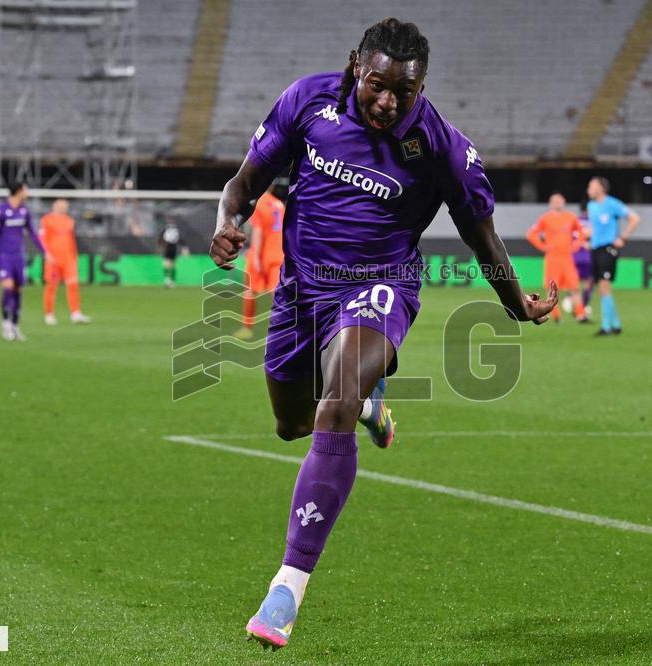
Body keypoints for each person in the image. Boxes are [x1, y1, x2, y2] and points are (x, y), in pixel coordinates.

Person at [208, 18, 557, 650]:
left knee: (335, 402)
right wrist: (229, 221)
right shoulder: (307, 100)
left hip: (381, 284)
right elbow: (244, 182)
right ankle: (370, 404)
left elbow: (482, 237)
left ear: (423, 86)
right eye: (377, 84)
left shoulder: (443, 149)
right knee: (292, 424)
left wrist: (515, 304)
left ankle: (287, 587)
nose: (388, 101)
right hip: (301, 289)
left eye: (405, 90)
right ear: (356, 66)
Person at [0, 182, 51, 341]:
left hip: (18, 257)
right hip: (4, 256)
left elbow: (33, 233)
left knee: (18, 290)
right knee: (8, 288)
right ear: (19, 191)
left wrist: (45, 251)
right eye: (25, 190)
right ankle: (5, 324)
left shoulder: (24, 211)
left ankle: (15, 325)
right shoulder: (1, 210)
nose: (27, 193)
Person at [586, 177, 641, 335]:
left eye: (592, 186)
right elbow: (594, 228)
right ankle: (615, 325)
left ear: (601, 188)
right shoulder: (591, 206)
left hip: (608, 249)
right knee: (602, 287)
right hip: (595, 249)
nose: (589, 189)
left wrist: (623, 238)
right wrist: (588, 239)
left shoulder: (612, 204)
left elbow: (635, 219)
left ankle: (606, 326)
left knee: (604, 286)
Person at [526, 191, 588, 323]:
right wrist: (543, 246)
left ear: (564, 202)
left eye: (559, 200)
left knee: (575, 287)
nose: (557, 203)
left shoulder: (571, 217)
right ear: (550, 203)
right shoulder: (545, 218)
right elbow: (531, 234)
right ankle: (556, 316)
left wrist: (576, 246)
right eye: (554, 201)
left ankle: (581, 315)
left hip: (567, 258)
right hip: (552, 259)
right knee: (552, 288)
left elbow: (581, 233)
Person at [234, 185, 285, 340]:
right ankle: (287, 328)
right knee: (279, 294)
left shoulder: (258, 203)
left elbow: (258, 230)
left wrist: (256, 256)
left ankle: (247, 328)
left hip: (263, 253)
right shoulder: (278, 204)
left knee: (250, 291)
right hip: (279, 254)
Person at [40, 199, 90, 325]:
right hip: (53, 259)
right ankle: (49, 314)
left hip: (68, 259)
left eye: (65, 206)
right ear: (55, 206)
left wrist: (74, 255)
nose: (64, 208)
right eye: (61, 205)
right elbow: (43, 239)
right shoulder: (47, 220)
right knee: (51, 286)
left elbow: (71, 239)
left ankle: (75, 313)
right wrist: (47, 254)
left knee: (73, 285)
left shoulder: (69, 220)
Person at [574, 199, 593, 314]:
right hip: (587, 257)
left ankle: (574, 304)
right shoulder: (593, 221)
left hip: (573, 256)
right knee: (588, 282)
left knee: (574, 283)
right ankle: (583, 306)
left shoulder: (574, 221)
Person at [160, 222, 181, 287]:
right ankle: (172, 281)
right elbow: (179, 239)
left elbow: (162, 238)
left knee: (166, 264)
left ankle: (167, 280)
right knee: (172, 265)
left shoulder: (166, 229)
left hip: (168, 247)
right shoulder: (176, 230)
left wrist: (162, 247)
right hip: (174, 247)